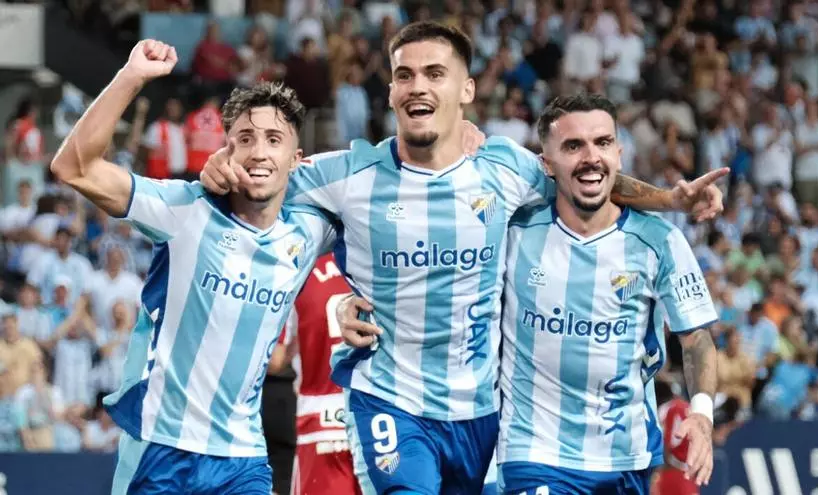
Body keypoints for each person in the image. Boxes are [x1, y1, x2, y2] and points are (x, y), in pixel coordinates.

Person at [199, 21, 726, 494]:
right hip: (390, 399)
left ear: (466, 89)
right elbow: (261, 177)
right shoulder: (347, 175)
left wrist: (669, 199)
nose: (418, 86)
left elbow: (585, 175)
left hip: (481, 414)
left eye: (435, 74)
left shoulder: (506, 170)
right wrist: (219, 171)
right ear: (391, 92)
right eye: (404, 76)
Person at [338, 94, 719, 493]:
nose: (591, 156)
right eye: (573, 146)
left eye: (603, 143)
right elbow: (432, 271)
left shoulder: (660, 242)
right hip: (534, 454)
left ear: (619, 154)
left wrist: (702, 413)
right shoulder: (511, 228)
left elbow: (696, 338)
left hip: (627, 457)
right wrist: (350, 302)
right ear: (545, 164)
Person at [49, 39, 337, 494]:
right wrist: (132, 76)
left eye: (274, 140)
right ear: (225, 151)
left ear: (296, 160)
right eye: (245, 139)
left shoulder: (310, 231)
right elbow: (73, 167)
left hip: (243, 457)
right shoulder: (185, 209)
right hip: (161, 449)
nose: (259, 152)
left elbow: (383, 208)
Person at [289, 253, 361, 495]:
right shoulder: (377, 263)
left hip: (319, 425)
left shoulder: (299, 267)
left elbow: (276, 359)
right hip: (377, 417)